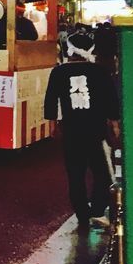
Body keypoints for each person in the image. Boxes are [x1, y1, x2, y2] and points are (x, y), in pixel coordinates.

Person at [44, 29, 119, 228]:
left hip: (71, 130)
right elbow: (111, 99)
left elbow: (51, 99)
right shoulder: (100, 71)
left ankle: (82, 214)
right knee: (101, 172)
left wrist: (52, 125)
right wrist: (115, 123)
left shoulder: (58, 71)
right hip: (96, 131)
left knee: (75, 174)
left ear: (70, 50)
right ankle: (97, 210)